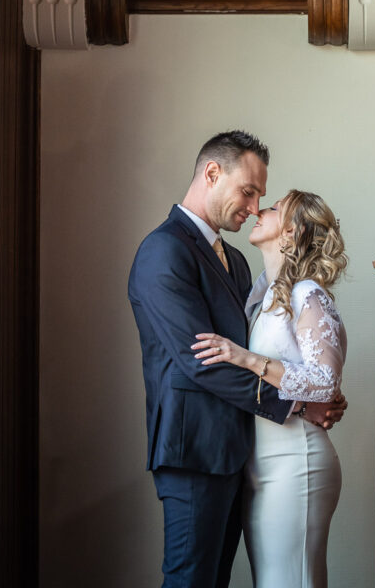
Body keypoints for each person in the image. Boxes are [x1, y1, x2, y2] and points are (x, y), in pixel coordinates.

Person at [128, 131, 346, 588]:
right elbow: (203, 362)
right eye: (248, 191)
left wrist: (315, 388)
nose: (252, 206)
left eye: (261, 197)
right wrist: (298, 403)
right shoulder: (164, 250)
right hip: (196, 452)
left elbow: (269, 353)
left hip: (241, 454)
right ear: (212, 173)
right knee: (191, 580)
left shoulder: (240, 264)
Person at [192, 189, 348, 588]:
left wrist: (247, 358)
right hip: (261, 463)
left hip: (296, 462)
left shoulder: (307, 294)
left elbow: (325, 380)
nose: (259, 209)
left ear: (291, 232)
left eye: (274, 208)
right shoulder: (261, 296)